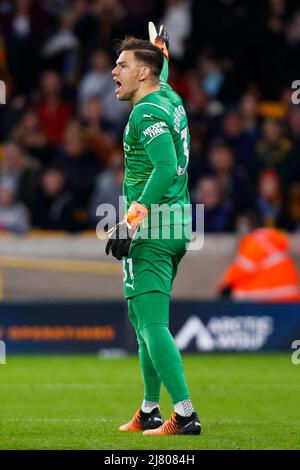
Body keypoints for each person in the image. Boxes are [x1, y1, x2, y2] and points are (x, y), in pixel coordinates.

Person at [105, 25, 201, 435]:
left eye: (122, 64)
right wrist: (160, 50)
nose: (114, 71)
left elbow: (163, 166)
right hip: (178, 222)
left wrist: (130, 220)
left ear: (144, 73)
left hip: (154, 226)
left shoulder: (146, 112)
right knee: (141, 317)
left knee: (152, 324)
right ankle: (149, 410)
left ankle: (184, 414)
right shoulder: (169, 95)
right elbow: (163, 72)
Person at [217, 227, 300, 302]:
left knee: (232, 294)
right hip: (291, 299)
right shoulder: (273, 243)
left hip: (267, 300)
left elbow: (239, 270)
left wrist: (223, 287)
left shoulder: (255, 242)